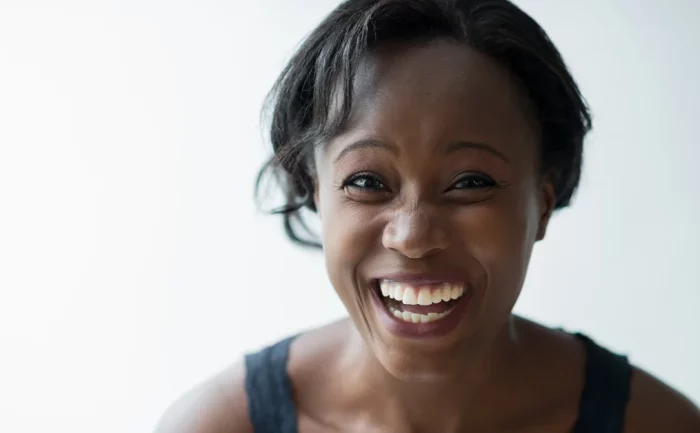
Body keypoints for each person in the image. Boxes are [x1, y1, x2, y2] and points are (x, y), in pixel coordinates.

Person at [156, 0, 700, 432]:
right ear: (315, 191)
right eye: (367, 182)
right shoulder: (221, 425)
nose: (413, 236)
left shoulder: (657, 424)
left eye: (471, 183)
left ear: (544, 203)